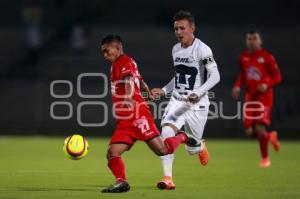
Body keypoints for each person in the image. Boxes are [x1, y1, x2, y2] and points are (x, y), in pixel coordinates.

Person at [100, 34, 189, 193]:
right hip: (124, 120)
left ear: (118, 47)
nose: (105, 55)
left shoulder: (123, 62)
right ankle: (122, 182)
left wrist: (128, 97)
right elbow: (139, 81)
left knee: (162, 150)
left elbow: (128, 80)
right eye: (103, 53)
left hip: (137, 115)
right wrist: (148, 94)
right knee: (112, 152)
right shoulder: (126, 62)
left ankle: (183, 136)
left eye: (107, 51)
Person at [151, 10, 220, 190]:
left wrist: (198, 91)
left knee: (192, 147)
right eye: (176, 29)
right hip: (177, 102)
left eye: (182, 28)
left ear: (192, 28)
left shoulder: (203, 49)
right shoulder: (175, 49)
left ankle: (198, 143)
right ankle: (168, 179)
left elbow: (215, 76)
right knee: (166, 132)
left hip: (197, 105)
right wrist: (165, 90)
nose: (179, 32)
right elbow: (178, 76)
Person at [232, 30, 282, 168]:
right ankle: (270, 136)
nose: (252, 41)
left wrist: (267, 84)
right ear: (246, 41)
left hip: (264, 97)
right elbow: (242, 75)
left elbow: (277, 77)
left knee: (259, 128)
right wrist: (237, 86)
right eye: (249, 39)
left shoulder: (267, 57)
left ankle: (265, 159)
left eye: (255, 38)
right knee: (249, 131)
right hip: (250, 96)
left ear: (260, 41)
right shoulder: (243, 57)